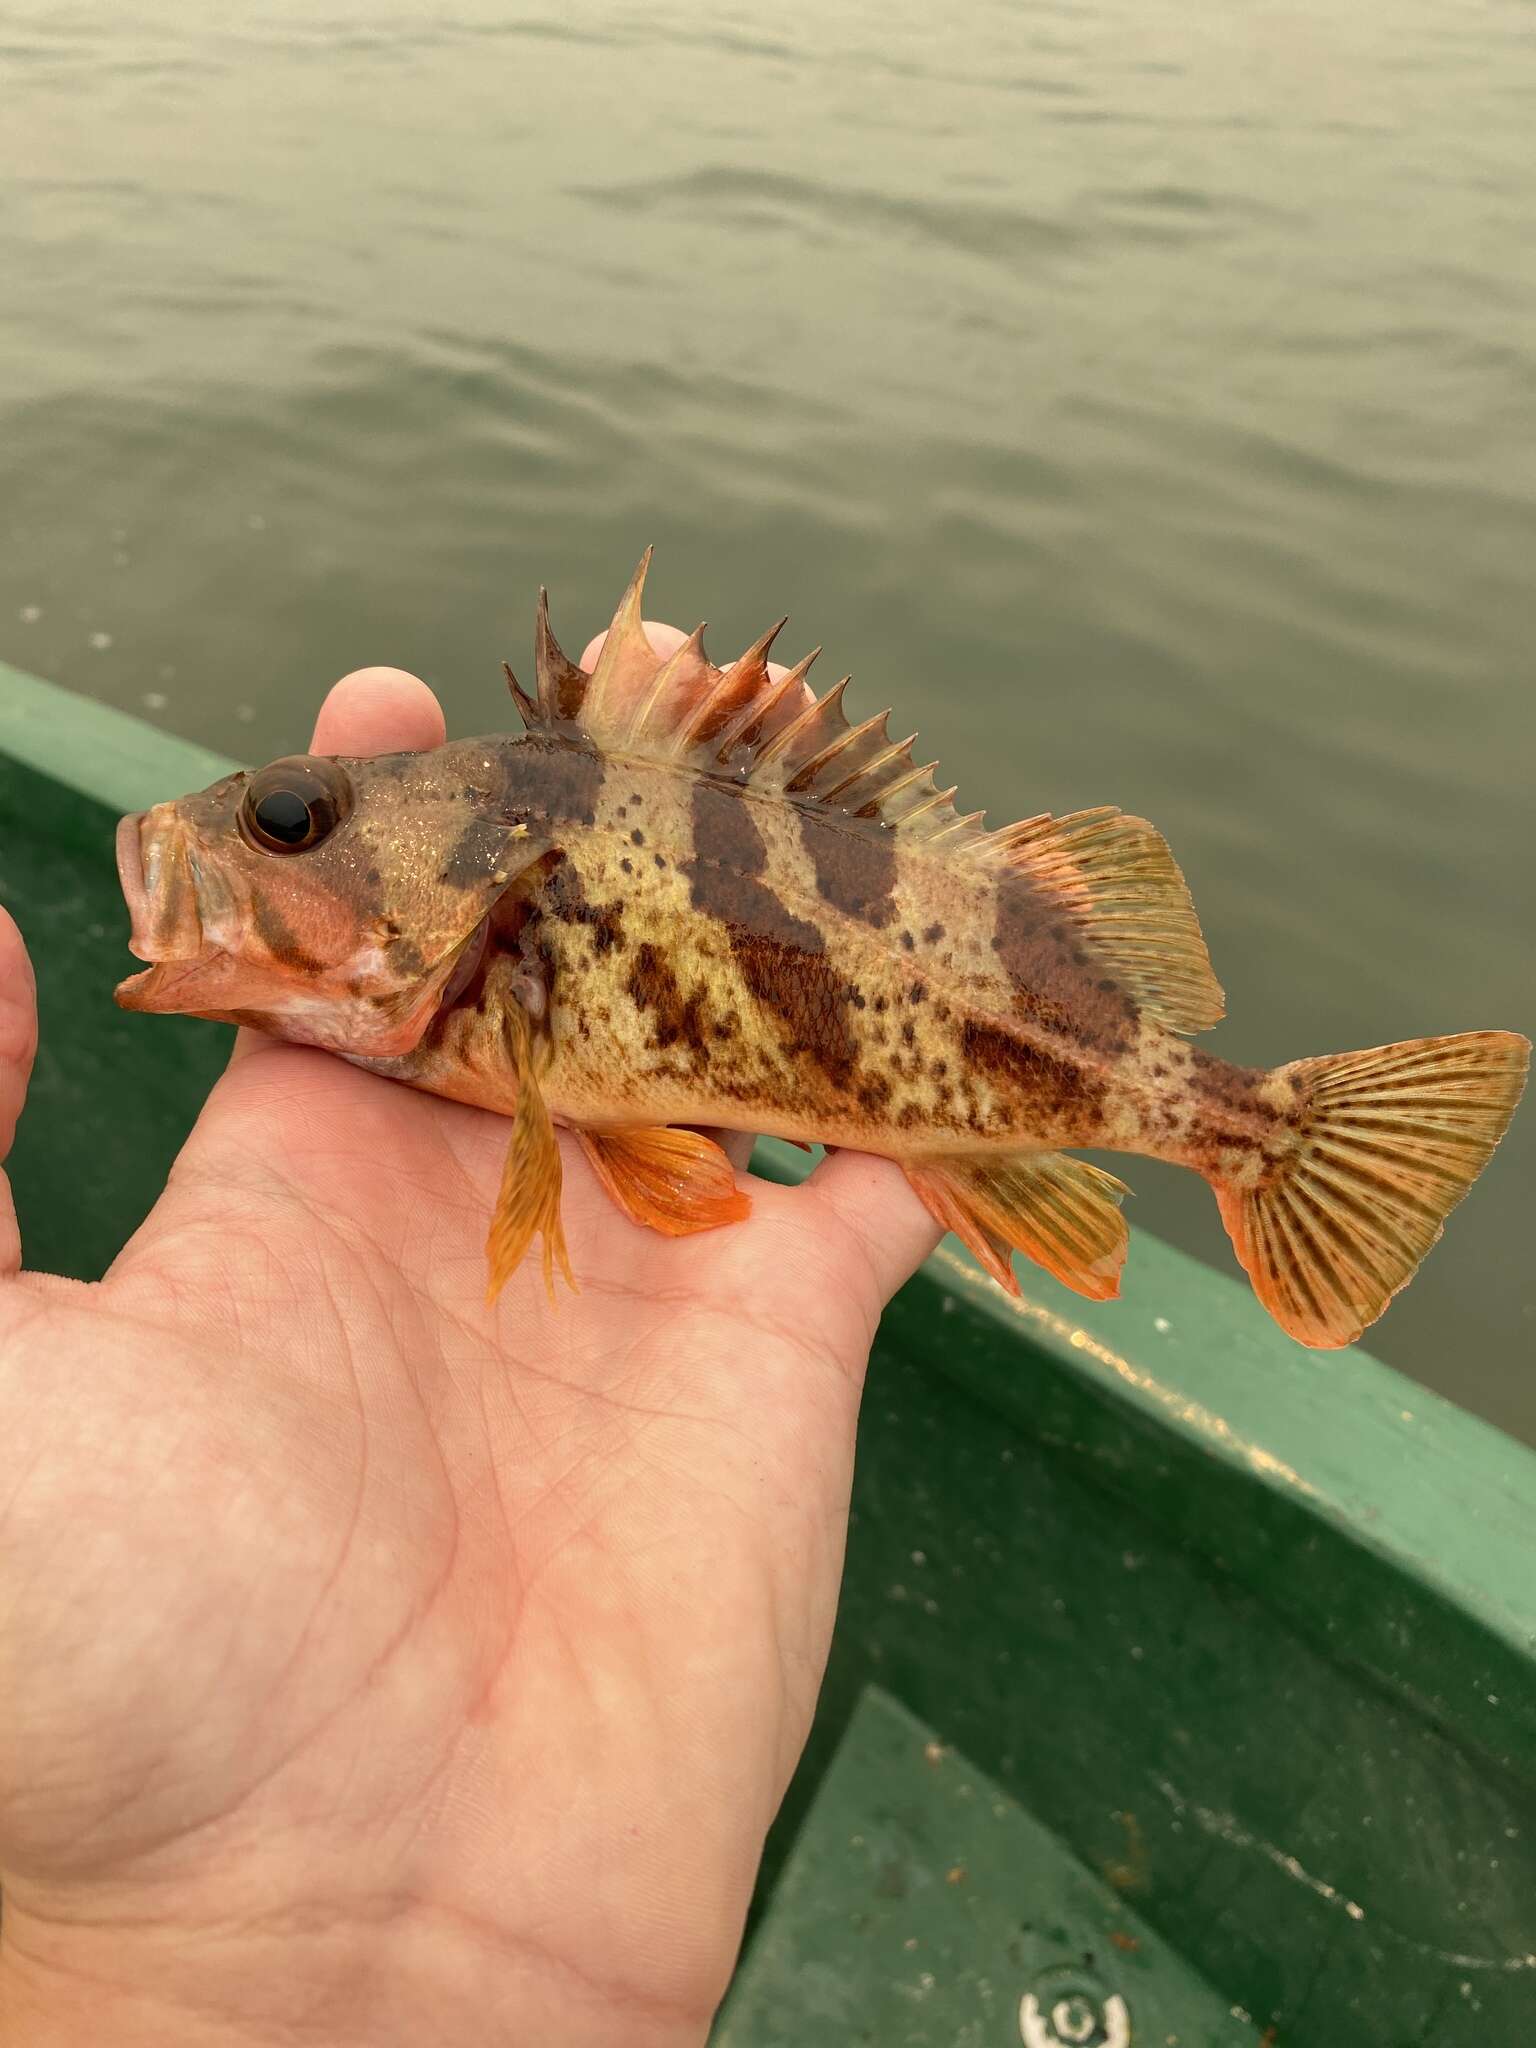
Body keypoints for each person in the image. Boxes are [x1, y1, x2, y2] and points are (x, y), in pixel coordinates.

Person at [0, 631, 943, 2046]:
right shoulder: (465, 966)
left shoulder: (512, 936)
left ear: (482, 882)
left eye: (289, 823)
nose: (192, 842)